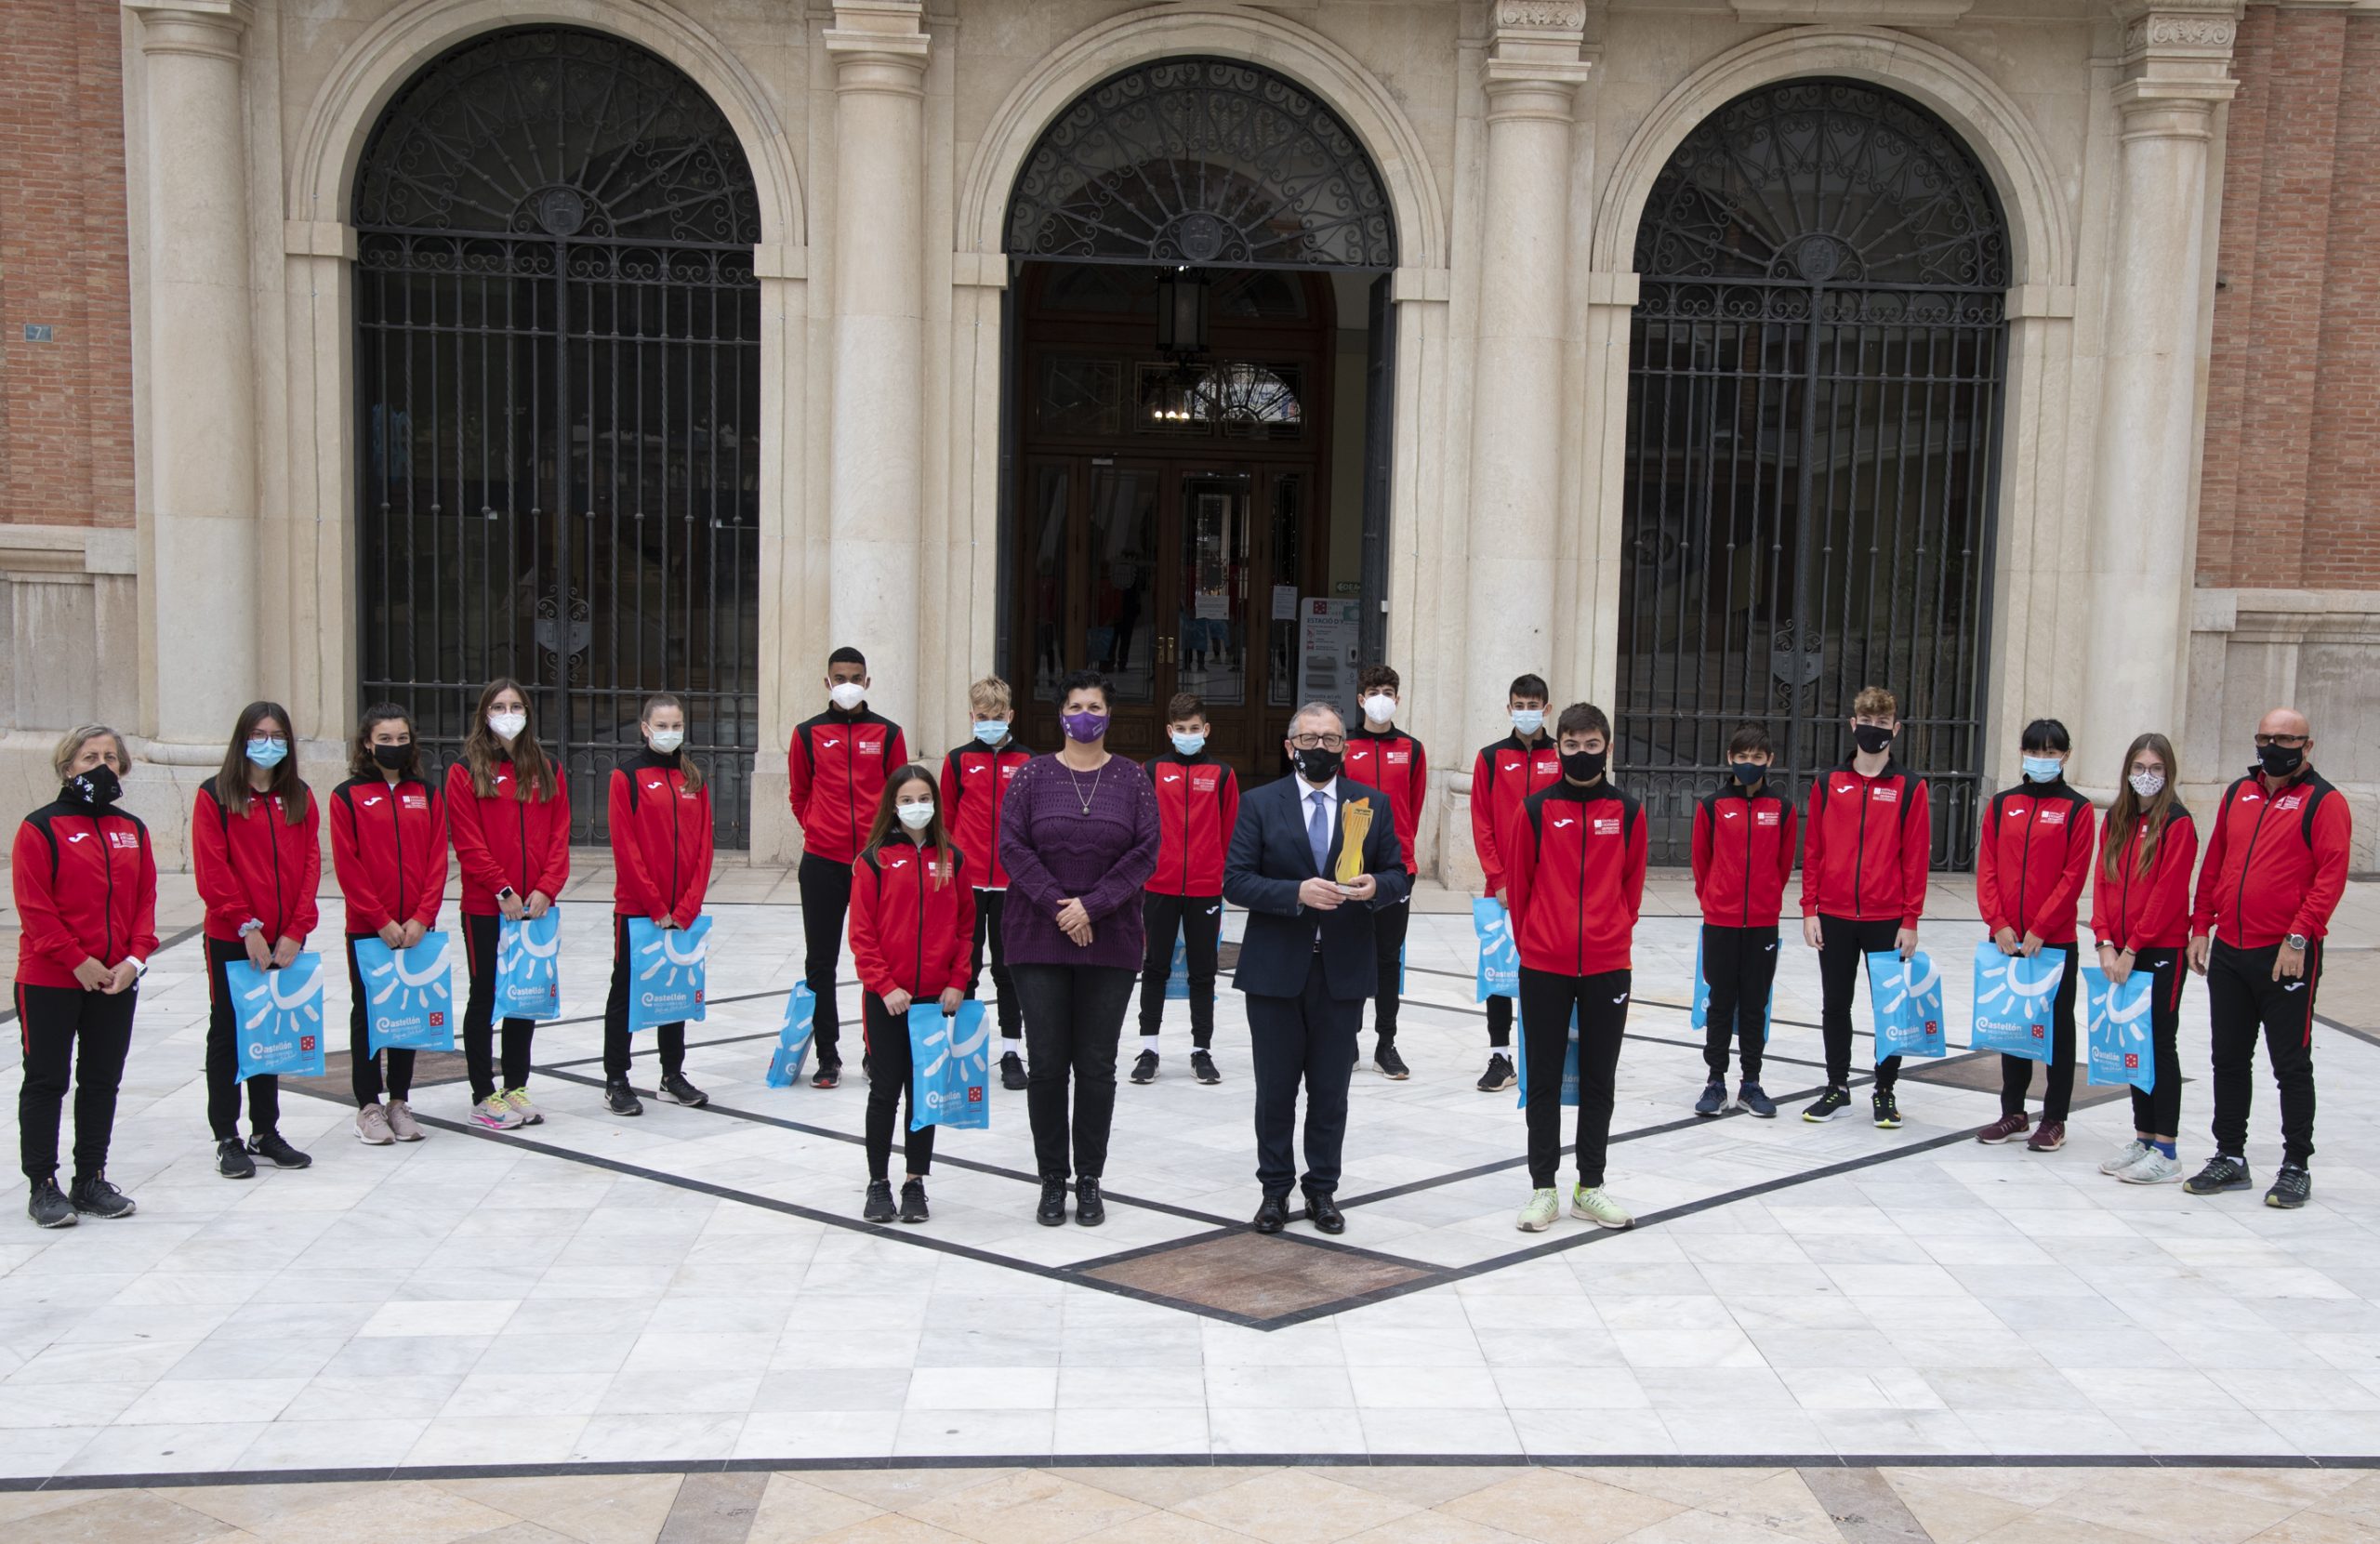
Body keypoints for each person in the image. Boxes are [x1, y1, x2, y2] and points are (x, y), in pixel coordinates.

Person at [1223, 703, 1408, 1235]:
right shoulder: (1260, 804)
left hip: (1343, 970)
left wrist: (1377, 887)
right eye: (1309, 739)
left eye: (1330, 740)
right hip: (1276, 969)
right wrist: (1294, 893)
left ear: (1344, 748)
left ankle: (1322, 1190)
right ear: (1290, 746)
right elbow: (1235, 880)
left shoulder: (1370, 804)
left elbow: (1399, 873)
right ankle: (1275, 1191)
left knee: (1330, 1091)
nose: (1320, 748)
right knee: (1276, 1090)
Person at [998, 670, 1161, 1228]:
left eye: (1095, 706)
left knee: (1095, 1065)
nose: (1085, 714)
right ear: (1060, 714)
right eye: (1076, 705)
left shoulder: (1134, 780)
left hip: (1110, 939)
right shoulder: (1030, 777)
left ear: (1108, 715)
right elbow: (1012, 848)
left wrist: (1092, 906)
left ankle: (1088, 1179)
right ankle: (1050, 1179)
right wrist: (1060, 907)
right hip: (1036, 939)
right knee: (1046, 1064)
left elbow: (1145, 853)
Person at [2184, 707, 2351, 1208]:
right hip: (2231, 952)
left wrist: (2299, 937)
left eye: (2285, 738)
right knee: (2229, 1059)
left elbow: (2331, 878)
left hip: (2286, 956)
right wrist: (2200, 927)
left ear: (2307, 745)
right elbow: (2215, 863)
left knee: (2291, 1064)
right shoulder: (2239, 792)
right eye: (2264, 736)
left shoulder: (2325, 802)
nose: (2272, 746)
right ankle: (2229, 1156)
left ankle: (2296, 1164)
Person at [1501, 704, 1647, 1232]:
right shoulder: (1536, 809)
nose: (1581, 754)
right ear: (1557, 747)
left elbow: (1632, 886)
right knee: (1541, 1077)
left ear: (1607, 747)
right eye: (1571, 745)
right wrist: (1538, 941)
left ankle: (1591, 1186)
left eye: (1591, 745)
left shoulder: (1628, 811)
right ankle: (1543, 1188)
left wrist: (1611, 933)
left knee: (1597, 1079)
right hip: (1545, 964)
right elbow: (1519, 887)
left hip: (1608, 964)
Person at [15, 727, 155, 1226]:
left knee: (100, 1081)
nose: (102, 764)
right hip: (51, 978)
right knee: (47, 1080)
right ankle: (43, 1185)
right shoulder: (40, 827)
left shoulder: (132, 830)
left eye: (111, 757)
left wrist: (133, 960)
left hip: (115, 980)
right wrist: (78, 960)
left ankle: (91, 1178)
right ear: (67, 766)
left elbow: (144, 904)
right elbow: (35, 908)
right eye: (90, 756)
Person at [192, 701, 319, 1179]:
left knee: (272, 1032)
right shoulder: (216, 796)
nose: (269, 743)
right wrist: (248, 927)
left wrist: (295, 929)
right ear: (242, 739)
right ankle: (226, 1135)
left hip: (286, 939)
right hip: (234, 938)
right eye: (259, 734)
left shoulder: (299, 796)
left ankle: (265, 1131)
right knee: (228, 1032)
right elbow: (212, 868)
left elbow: (310, 867)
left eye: (277, 735)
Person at [848, 765, 975, 1224]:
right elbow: (862, 934)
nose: (917, 806)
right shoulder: (873, 860)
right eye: (907, 799)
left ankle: (915, 1181)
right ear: (893, 805)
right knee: (885, 1092)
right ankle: (878, 1182)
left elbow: (965, 925)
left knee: (926, 1094)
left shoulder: (953, 858)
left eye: (925, 797)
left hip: (931, 1002)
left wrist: (958, 979)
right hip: (886, 1000)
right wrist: (885, 985)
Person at [1799, 686, 1930, 1128]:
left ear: (1895, 728)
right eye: (1866, 722)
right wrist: (1809, 909)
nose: (1873, 731)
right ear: (1853, 725)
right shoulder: (1828, 782)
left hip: (1886, 917)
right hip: (1834, 914)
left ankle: (1885, 1090)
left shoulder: (1910, 787)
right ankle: (1836, 1086)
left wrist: (1910, 918)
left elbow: (1915, 856)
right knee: (1835, 1003)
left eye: (1882, 724)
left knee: (1887, 1008)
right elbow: (1813, 849)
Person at [447, 679, 569, 1130]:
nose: (509, 713)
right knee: (485, 997)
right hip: (487, 906)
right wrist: (503, 891)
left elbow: (560, 833)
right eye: (499, 706)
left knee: (525, 996)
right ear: (484, 714)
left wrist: (546, 888)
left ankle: (516, 1085)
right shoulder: (465, 771)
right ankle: (484, 1093)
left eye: (516, 706)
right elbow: (468, 841)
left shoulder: (547, 767)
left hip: (535, 907)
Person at [1972, 719, 2096, 1153]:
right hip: (2005, 938)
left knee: (2058, 1029)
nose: (2041, 759)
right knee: (2013, 1026)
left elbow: (2073, 875)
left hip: (2053, 940)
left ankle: (2055, 1117)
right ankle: (2014, 1112)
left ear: (2066, 755)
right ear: (2021, 753)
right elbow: (1986, 866)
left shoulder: (2077, 809)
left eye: (2050, 752)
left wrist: (2040, 928)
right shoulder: (2004, 804)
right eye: (2034, 751)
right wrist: (1998, 923)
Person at [787, 647, 907, 1089]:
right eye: (840, 677)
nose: (848, 684)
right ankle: (827, 1055)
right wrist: (820, 830)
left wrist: (880, 847)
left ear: (868, 681)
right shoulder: (807, 734)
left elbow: (902, 794)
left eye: (856, 676)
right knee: (820, 962)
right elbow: (799, 793)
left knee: (877, 960)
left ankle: (875, 1052)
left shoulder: (889, 733)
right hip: (822, 863)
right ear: (827, 682)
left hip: (874, 864)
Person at [329, 704, 446, 1146]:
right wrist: (380, 919)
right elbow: (348, 864)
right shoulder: (346, 796)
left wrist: (422, 917)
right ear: (366, 743)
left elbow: (437, 860)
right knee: (369, 1013)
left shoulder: (427, 794)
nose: (393, 746)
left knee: (407, 1013)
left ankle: (399, 1100)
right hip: (369, 928)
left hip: (418, 926)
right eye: (385, 739)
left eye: (401, 738)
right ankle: (368, 1106)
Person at [2090, 733, 2199, 1185]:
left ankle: (2167, 1149)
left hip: (2157, 950)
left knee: (2158, 1044)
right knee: (2133, 1045)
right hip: (2119, 949)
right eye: (2139, 767)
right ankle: (2144, 1136)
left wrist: (2133, 947)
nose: (2146, 776)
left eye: (2155, 768)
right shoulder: (2117, 818)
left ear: (2168, 772)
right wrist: (2104, 941)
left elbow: (2168, 894)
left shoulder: (2178, 822)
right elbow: (2102, 881)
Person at [602, 694, 716, 1116]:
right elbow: (625, 846)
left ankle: (672, 1075)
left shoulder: (693, 778)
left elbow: (704, 846)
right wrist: (654, 905)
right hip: (638, 909)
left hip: (682, 910)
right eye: (662, 725)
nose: (670, 732)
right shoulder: (626, 776)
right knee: (626, 992)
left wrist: (687, 906)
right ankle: (617, 1078)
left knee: (676, 991)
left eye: (677, 725)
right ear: (645, 729)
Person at [1688, 724, 1795, 1118]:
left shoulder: (1782, 808)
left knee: (1755, 1004)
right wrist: (1715, 900)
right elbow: (1701, 862)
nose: (1749, 764)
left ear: (1770, 761)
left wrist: (1766, 899)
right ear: (1730, 758)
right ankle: (1715, 1081)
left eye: (1757, 757)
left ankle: (1751, 1082)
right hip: (1721, 920)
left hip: (1763, 923)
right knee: (1720, 1002)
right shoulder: (1711, 806)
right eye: (1742, 756)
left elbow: (1783, 865)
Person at [1134, 693, 1239, 1087]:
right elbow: (1142, 829)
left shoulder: (1223, 775)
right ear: (1169, 731)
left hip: (1205, 889)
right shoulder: (1151, 770)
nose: (1188, 735)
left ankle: (1202, 1050)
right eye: (1181, 730)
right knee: (1155, 967)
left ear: (1206, 730)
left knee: (1203, 971)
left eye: (1195, 729)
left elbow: (1229, 831)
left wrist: (1222, 876)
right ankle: (1149, 1048)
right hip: (1158, 886)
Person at [1469, 673, 1561, 1092]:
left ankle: (1543, 1054)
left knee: (1548, 974)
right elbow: (1482, 821)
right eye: (1519, 705)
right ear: (1509, 709)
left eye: (1534, 705)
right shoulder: (1490, 758)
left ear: (1548, 708)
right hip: (1503, 889)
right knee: (1499, 973)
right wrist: (1498, 878)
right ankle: (1500, 1056)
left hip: (1550, 889)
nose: (1527, 712)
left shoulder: (1562, 758)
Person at [941, 675, 1031, 1090]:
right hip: (968, 882)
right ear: (971, 717)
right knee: (966, 968)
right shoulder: (958, 760)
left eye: (997, 716)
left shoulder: (1028, 763)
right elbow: (945, 819)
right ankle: (965, 1049)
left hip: (1013, 885)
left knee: (1009, 970)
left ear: (1009, 716)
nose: (990, 723)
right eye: (982, 717)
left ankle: (1011, 1051)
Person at [1343, 665, 1427, 1080]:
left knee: (1388, 958)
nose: (1381, 697)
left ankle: (1386, 1043)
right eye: (1373, 690)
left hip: (1397, 869)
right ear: (1361, 699)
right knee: (1351, 953)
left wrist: (1404, 852)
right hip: (1351, 868)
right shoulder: (1344, 745)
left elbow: (1414, 802)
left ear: (1397, 699)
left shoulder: (1412, 748)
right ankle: (1348, 1039)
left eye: (1388, 691)